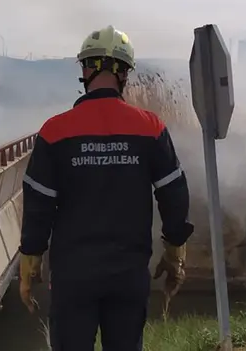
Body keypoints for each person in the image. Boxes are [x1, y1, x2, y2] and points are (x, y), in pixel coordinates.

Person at [18, 25, 194, 351]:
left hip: (73, 277)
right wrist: (174, 250)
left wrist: (31, 257)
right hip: (128, 276)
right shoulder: (150, 128)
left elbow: (38, 202)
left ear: (86, 70)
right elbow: (174, 192)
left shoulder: (55, 132)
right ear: (125, 73)